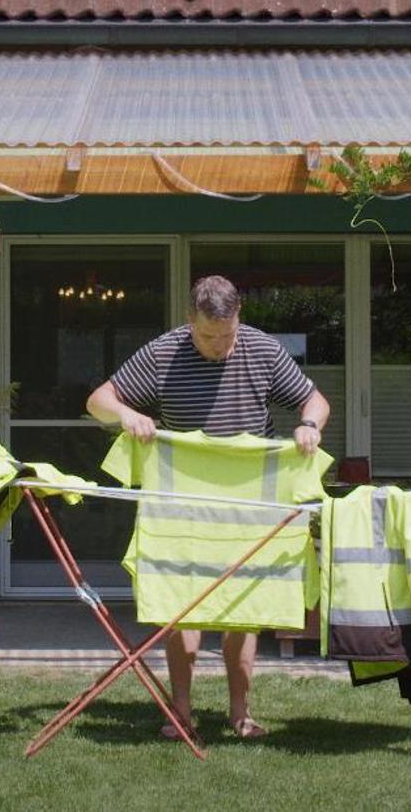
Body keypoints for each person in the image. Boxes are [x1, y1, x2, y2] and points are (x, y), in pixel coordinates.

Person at [86, 275, 330, 740]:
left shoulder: (261, 349)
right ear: (189, 321)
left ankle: (240, 713)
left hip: (250, 502)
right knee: (183, 605)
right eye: (207, 336)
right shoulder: (165, 352)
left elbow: (314, 401)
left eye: (226, 335)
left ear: (238, 319)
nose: (218, 346)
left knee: (243, 605)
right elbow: (99, 400)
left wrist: (308, 426)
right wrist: (128, 414)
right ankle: (180, 713)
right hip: (185, 501)